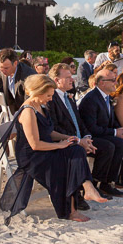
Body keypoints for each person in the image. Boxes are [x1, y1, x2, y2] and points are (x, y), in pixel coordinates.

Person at [3, 74, 108, 222]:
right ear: (37, 92)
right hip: (32, 156)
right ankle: (76, 203)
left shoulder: (39, 105)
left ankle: (85, 189)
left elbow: (49, 132)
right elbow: (35, 144)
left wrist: (70, 139)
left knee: (76, 149)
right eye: (48, 95)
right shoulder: (28, 111)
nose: (51, 99)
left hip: (46, 148)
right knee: (68, 162)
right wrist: (59, 145)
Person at [45, 63, 104, 210]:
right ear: (57, 80)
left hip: (78, 138)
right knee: (77, 152)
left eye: (72, 76)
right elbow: (54, 127)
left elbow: (79, 121)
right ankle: (77, 193)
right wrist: (78, 141)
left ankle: (101, 184)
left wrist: (87, 137)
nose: (73, 80)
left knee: (108, 146)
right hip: (63, 141)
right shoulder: (50, 100)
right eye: (68, 77)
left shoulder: (69, 98)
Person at [78, 68, 123, 198]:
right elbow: (91, 128)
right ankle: (95, 183)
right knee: (109, 146)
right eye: (112, 80)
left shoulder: (106, 97)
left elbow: (111, 120)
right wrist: (115, 132)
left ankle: (108, 183)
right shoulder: (91, 99)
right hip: (90, 136)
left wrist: (121, 131)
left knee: (122, 142)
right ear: (102, 82)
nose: (115, 83)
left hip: (102, 133)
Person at [0, 48, 37, 115]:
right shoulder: (4, 69)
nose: (3, 71)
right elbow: (1, 76)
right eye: (1, 67)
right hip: (14, 110)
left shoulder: (28, 76)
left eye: (6, 68)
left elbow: (30, 101)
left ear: (15, 63)